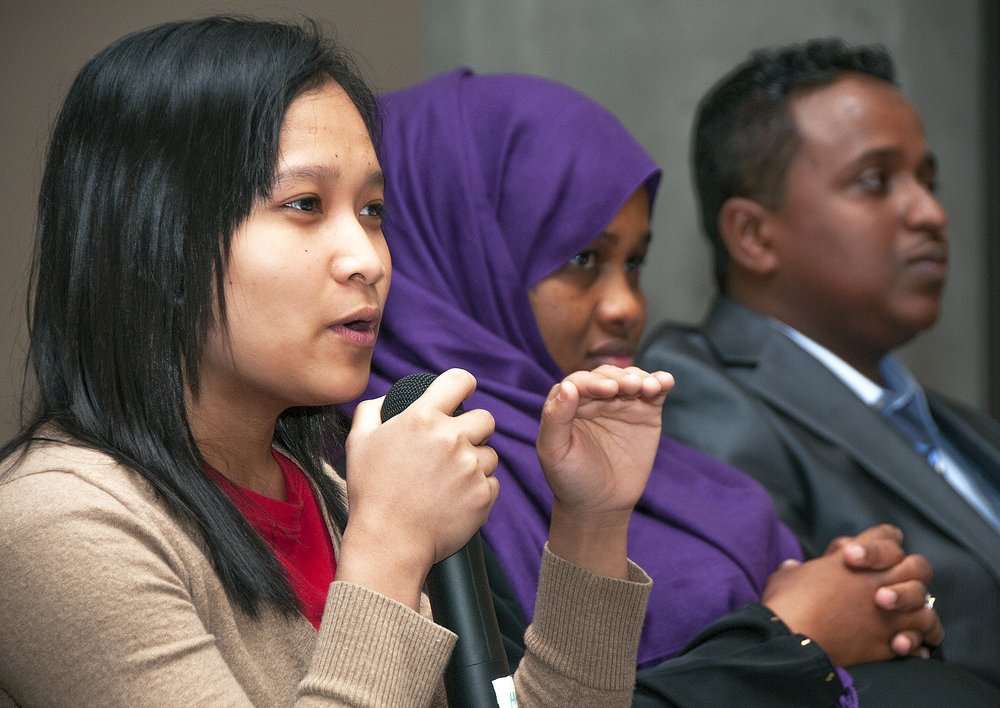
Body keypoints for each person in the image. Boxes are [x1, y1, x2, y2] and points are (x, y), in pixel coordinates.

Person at [0, 17, 666, 707]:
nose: (368, 259)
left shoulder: (324, 491)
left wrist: (591, 521)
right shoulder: (56, 525)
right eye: (304, 204)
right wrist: (391, 545)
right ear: (153, 235)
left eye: (374, 210)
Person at [356, 67, 1000, 707]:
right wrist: (791, 638)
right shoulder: (405, 468)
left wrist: (862, 588)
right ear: (459, 248)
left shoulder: (647, 454)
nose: (624, 306)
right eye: (583, 259)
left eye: (633, 263)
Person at [637, 38, 1000, 691]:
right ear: (753, 235)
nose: (931, 213)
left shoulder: (962, 424)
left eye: (929, 180)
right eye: (876, 181)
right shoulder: (698, 394)